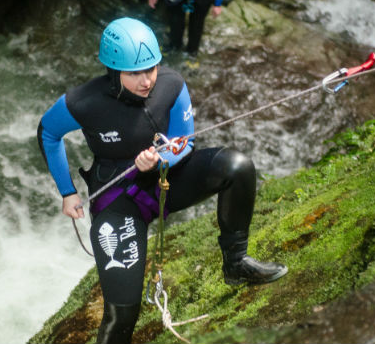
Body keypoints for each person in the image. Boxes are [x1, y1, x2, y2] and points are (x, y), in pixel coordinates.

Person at [37, 18, 288, 344]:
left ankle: (236, 264)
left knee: (237, 166)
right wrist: (67, 192)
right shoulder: (83, 102)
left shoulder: (171, 84)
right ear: (114, 71)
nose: (146, 81)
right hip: (118, 198)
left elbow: (185, 140)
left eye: (151, 69)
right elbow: (48, 132)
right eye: (135, 73)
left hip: (166, 178)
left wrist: (161, 159)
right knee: (123, 312)